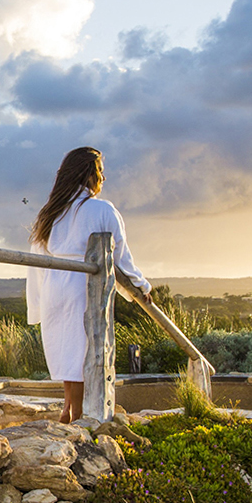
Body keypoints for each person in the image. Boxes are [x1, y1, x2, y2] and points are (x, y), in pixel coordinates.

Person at [26, 147, 152, 423]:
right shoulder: (101, 209)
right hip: (83, 285)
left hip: (54, 285)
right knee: (82, 352)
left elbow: (37, 259)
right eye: (100, 172)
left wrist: (36, 304)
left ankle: (67, 410)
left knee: (67, 351)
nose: (103, 178)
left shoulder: (51, 213)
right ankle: (81, 416)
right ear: (88, 174)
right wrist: (140, 287)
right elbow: (120, 257)